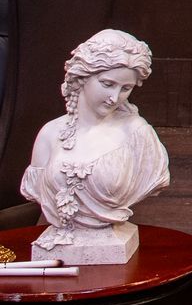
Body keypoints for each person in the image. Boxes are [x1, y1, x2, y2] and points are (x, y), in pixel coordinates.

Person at [23, 29, 171, 261]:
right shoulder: (50, 133)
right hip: (57, 245)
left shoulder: (137, 134)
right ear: (82, 77)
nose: (115, 97)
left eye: (126, 89)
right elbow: (35, 190)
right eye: (107, 84)